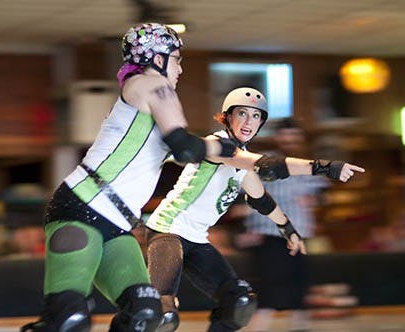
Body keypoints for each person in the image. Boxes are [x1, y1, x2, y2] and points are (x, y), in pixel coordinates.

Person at [20, 22, 240, 332]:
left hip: (118, 224)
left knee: (145, 313)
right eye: (177, 58)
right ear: (158, 58)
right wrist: (220, 144)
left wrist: (311, 166)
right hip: (81, 209)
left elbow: (185, 151)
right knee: (67, 318)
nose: (180, 68)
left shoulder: (149, 96)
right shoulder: (151, 84)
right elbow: (186, 147)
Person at [144, 88, 365, 332]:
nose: (249, 122)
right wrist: (325, 167)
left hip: (195, 238)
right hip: (167, 230)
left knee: (239, 302)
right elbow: (269, 167)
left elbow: (261, 199)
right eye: (242, 114)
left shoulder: (242, 161)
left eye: (256, 116)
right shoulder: (219, 145)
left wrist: (287, 228)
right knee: (162, 313)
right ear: (227, 117)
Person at [239, 117, 329, 332]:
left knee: (298, 289)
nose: (289, 140)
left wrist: (315, 201)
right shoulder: (263, 164)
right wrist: (243, 229)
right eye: (285, 136)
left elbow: (323, 193)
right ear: (278, 138)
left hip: (299, 233)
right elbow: (243, 196)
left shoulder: (307, 165)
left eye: (293, 136)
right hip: (269, 234)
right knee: (270, 290)